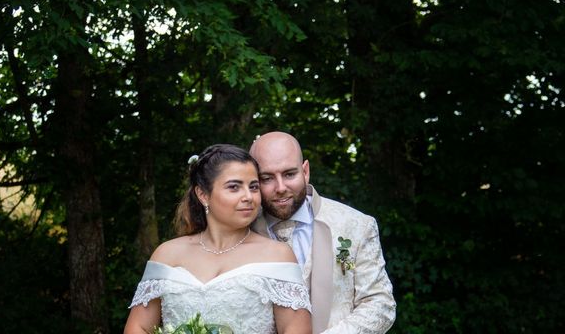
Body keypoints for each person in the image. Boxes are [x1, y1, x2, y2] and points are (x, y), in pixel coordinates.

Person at [124, 144, 312, 334]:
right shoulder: (166, 254)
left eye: (253, 187)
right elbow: (138, 327)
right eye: (234, 187)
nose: (248, 196)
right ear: (203, 195)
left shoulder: (277, 255)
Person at [250, 132, 396, 334]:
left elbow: (380, 303)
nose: (281, 187)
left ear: (306, 171)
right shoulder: (240, 230)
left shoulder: (356, 225)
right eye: (267, 178)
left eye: (289, 174)